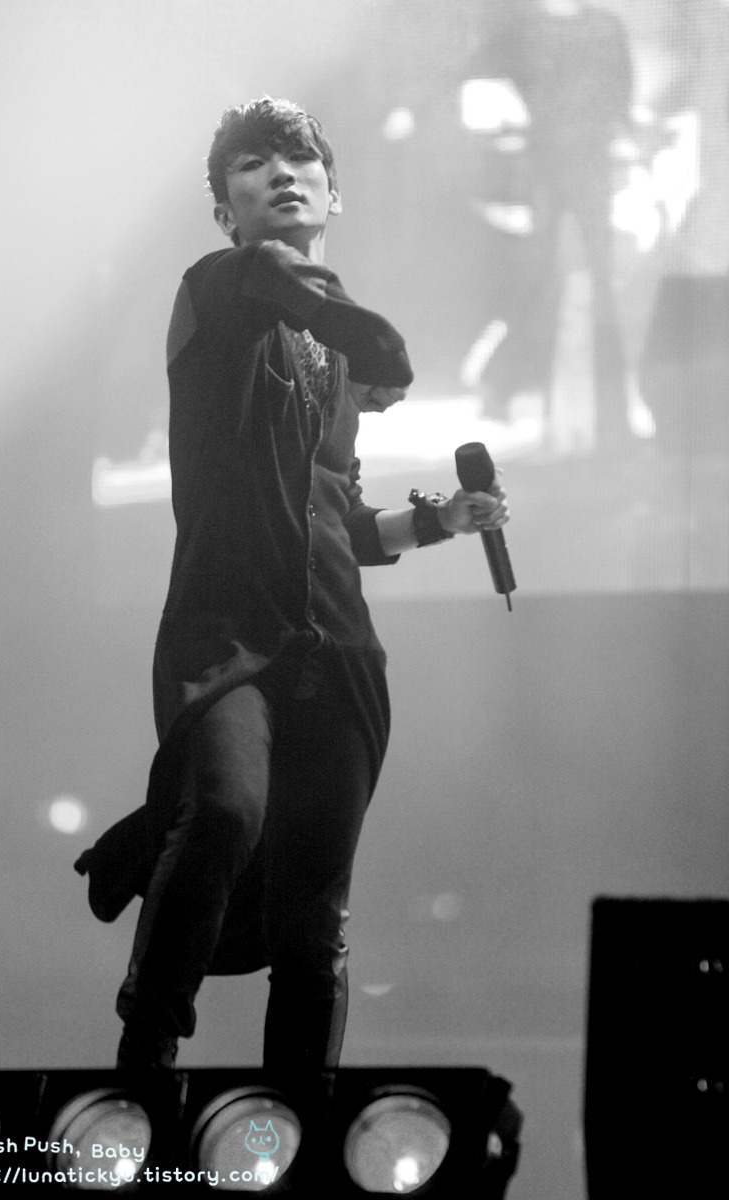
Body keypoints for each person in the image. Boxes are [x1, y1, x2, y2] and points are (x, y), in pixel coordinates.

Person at [76, 97, 509, 1084]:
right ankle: (144, 1059)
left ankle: (298, 1118)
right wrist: (373, 340)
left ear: (333, 192)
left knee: (312, 922)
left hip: (339, 657)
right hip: (226, 638)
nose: (280, 171)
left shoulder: (331, 359)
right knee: (226, 814)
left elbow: (339, 520)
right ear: (223, 210)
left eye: (300, 158)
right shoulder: (220, 288)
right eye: (251, 163)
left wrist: (442, 520)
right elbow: (291, 286)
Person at [462, 0, 635, 445]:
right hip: (547, 166)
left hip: (589, 164)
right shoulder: (524, 29)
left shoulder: (603, 27)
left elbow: (620, 94)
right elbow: (478, 73)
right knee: (541, 279)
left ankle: (609, 412)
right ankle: (502, 386)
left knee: (598, 284)